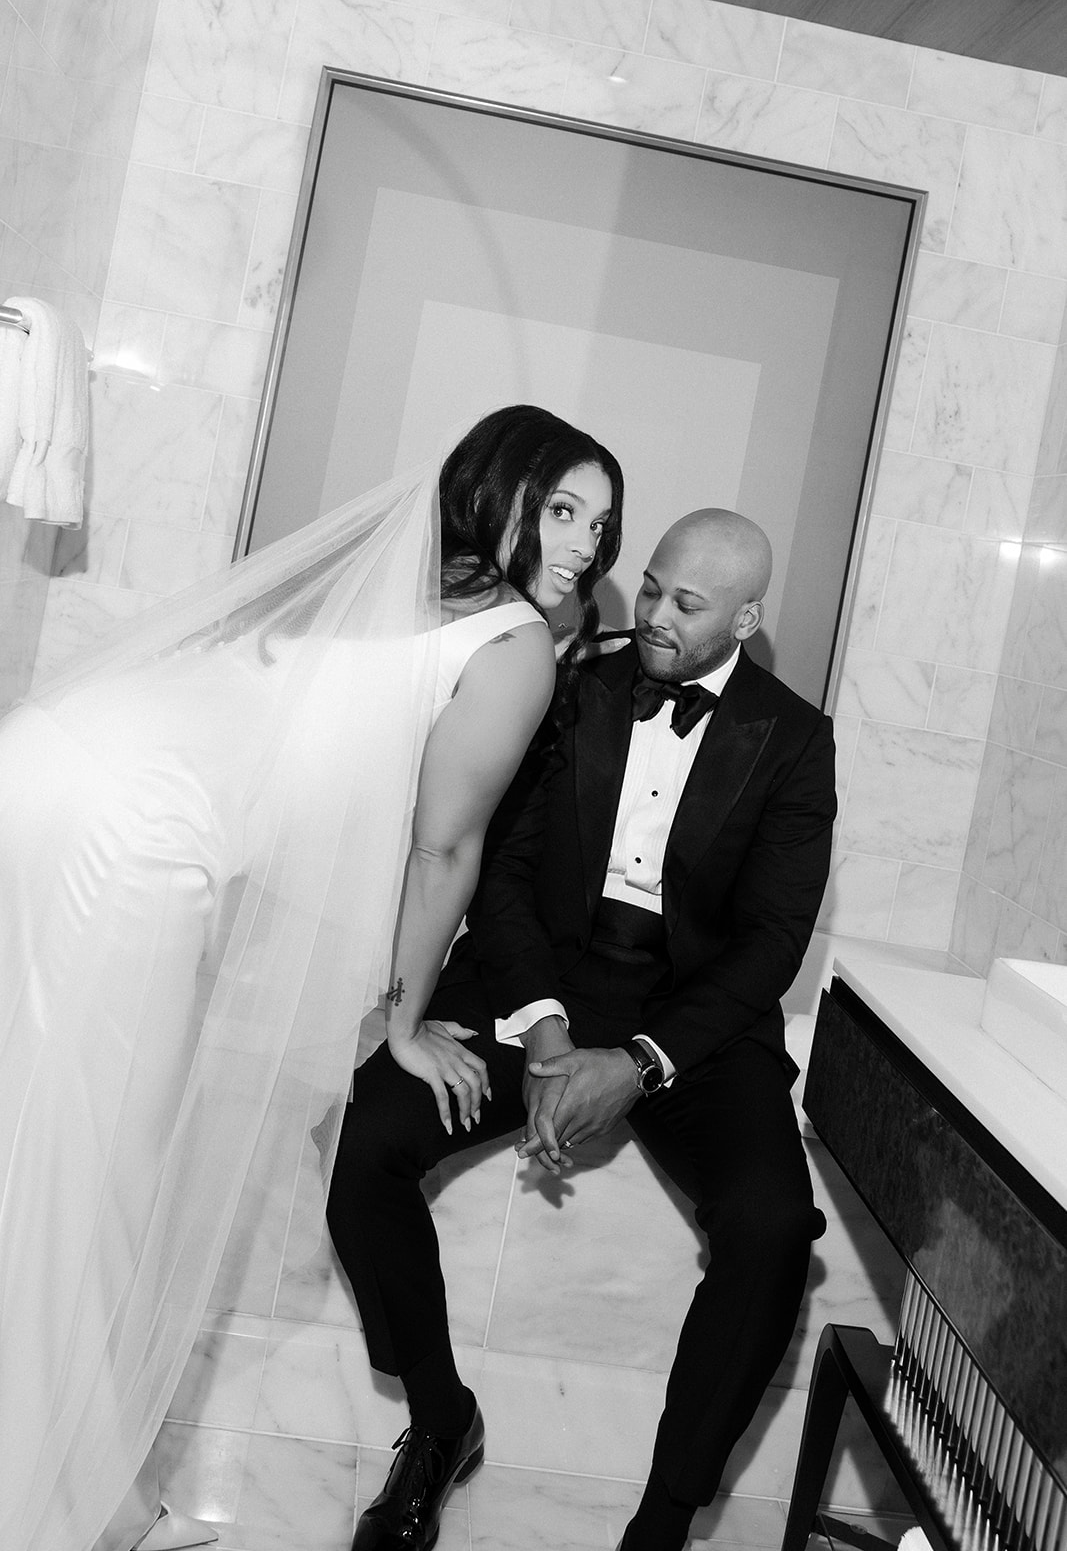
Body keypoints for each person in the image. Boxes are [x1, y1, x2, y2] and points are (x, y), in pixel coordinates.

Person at [0, 405, 623, 1551]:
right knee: (98, 1178)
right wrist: (401, 1019)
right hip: (133, 830)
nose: (584, 541)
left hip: (40, 758)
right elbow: (443, 846)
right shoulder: (515, 642)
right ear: (502, 493)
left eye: (599, 520)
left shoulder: (381, 576)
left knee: (25, 1133)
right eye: (561, 507)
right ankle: (53, 1513)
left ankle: (83, 1494)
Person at [326, 507, 837, 1551]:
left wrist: (642, 1061)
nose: (649, 613)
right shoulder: (567, 683)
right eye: (646, 586)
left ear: (744, 616)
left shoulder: (792, 739)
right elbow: (500, 871)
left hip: (692, 1021)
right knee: (363, 1134)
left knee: (773, 1225)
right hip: (537, 976)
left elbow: (771, 942)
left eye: (683, 604)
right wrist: (547, 1029)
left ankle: (662, 1520)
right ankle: (437, 1420)